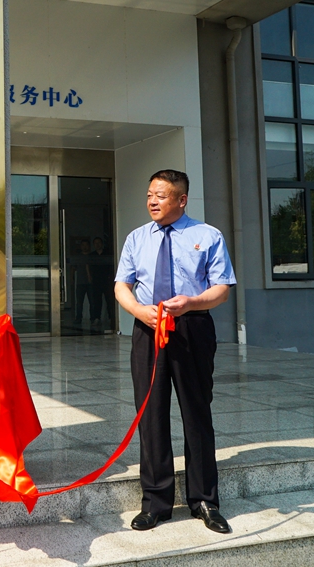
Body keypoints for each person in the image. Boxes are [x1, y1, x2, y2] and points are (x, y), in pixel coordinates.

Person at [114, 169, 236, 535]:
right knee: (150, 414)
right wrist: (139, 311)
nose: (152, 201)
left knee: (196, 412)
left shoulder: (207, 236)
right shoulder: (137, 238)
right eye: (150, 194)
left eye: (161, 195)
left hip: (192, 327)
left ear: (181, 200)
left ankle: (204, 500)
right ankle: (155, 501)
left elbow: (223, 289)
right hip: (148, 327)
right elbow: (122, 284)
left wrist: (193, 302)